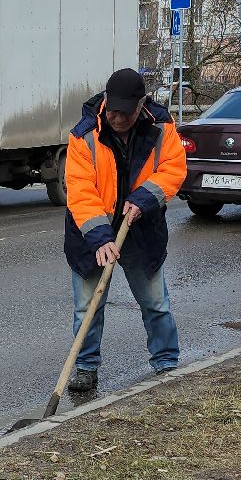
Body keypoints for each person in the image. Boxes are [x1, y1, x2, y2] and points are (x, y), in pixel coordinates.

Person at [61, 67, 188, 394]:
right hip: (92, 234)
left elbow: (173, 169)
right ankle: (86, 369)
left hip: (140, 228)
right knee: (87, 306)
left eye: (125, 112)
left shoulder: (161, 128)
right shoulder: (84, 134)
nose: (116, 117)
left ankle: (166, 362)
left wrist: (144, 198)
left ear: (140, 104)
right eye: (112, 109)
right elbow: (80, 190)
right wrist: (100, 238)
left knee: (155, 301)